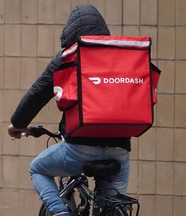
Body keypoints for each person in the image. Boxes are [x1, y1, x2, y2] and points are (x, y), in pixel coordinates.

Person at [8, 4, 131, 216]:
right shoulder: (123, 56)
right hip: (119, 150)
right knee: (110, 206)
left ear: (70, 32)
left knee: (37, 169)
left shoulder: (68, 57)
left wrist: (18, 124)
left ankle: (59, 212)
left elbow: (36, 94)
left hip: (79, 149)